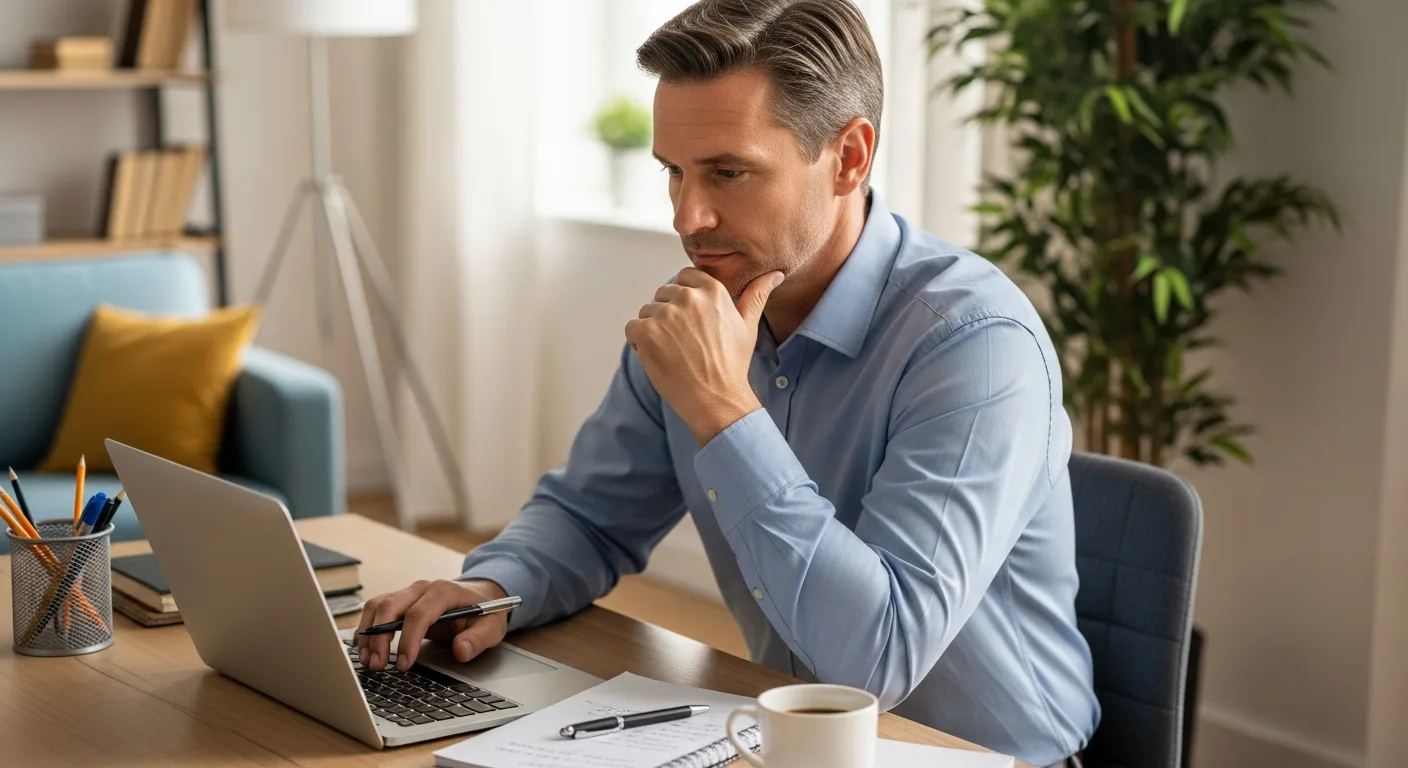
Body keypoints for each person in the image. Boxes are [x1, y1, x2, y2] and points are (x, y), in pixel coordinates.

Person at [355, 1, 1098, 764]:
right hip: (791, 743)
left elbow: (878, 664)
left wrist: (723, 410)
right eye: (673, 172)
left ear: (849, 156)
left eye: (728, 172)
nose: (688, 216)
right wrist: (492, 588)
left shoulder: (974, 345)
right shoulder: (710, 312)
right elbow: (589, 517)